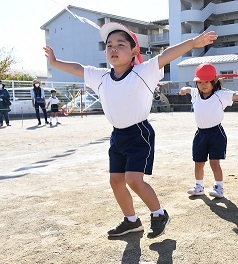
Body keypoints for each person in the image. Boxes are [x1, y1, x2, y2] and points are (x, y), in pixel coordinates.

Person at [44, 21, 217, 238]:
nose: (113, 49)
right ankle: (131, 221)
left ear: (134, 50)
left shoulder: (144, 72)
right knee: (116, 181)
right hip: (117, 135)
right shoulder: (101, 76)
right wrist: (55, 61)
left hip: (139, 134)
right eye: (109, 45)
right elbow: (78, 68)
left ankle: (159, 214)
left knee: (133, 179)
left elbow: (166, 55)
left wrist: (193, 42)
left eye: (120, 44)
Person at [179, 63, 238, 198]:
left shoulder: (221, 94)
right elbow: (188, 89)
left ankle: (219, 188)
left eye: (207, 81)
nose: (203, 85)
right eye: (200, 82)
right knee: (198, 162)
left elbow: (237, 96)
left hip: (216, 134)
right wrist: (183, 90)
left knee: (214, 163)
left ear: (214, 81)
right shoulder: (195, 93)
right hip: (200, 134)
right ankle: (199, 186)